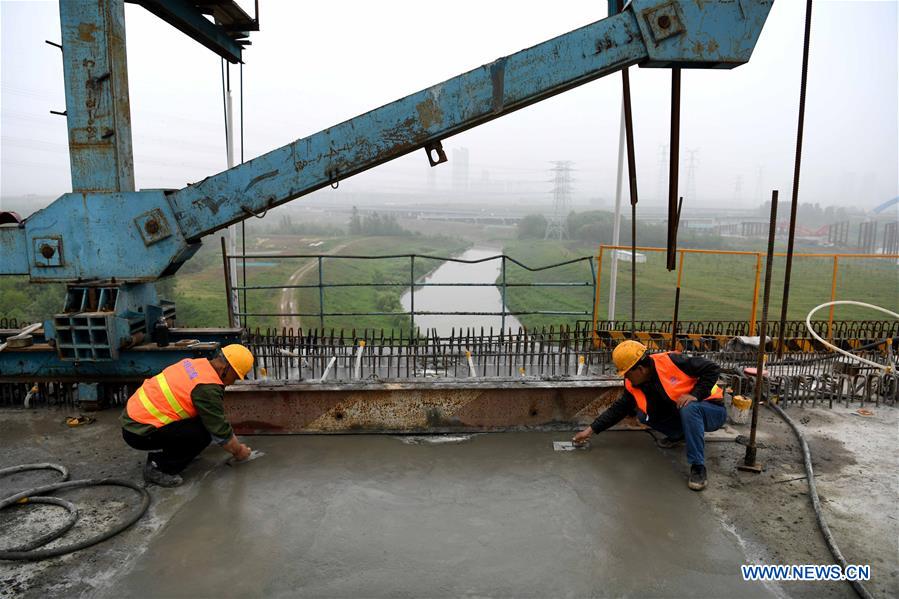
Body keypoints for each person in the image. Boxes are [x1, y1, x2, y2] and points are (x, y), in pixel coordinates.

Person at [572, 340, 726, 491]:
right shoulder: (635, 384)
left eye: (627, 373)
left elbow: (712, 368)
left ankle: (698, 467)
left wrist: (695, 395)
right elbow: (618, 409)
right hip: (685, 413)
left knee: (690, 408)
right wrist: (591, 430)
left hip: (712, 409)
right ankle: (679, 435)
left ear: (640, 369)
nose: (626, 378)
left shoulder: (672, 362)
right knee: (644, 415)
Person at [121, 344, 255, 487]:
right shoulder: (206, 388)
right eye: (235, 377)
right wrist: (239, 451)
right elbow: (220, 431)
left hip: (135, 419)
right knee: (202, 435)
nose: (233, 382)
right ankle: (159, 467)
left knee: (201, 424)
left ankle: (179, 452)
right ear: (226, 369)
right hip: (138, 432)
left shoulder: (196, 364)